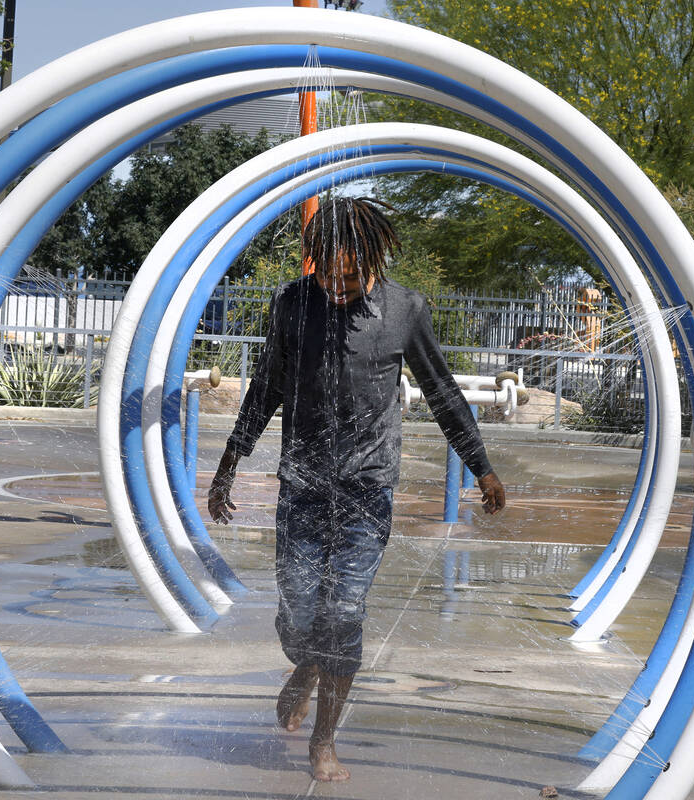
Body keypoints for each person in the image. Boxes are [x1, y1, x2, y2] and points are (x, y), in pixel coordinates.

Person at [208, 196, 505, 782]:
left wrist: (481, 465)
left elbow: (443, 392)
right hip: (302, 486)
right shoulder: (293, 304)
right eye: (327, 273)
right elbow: (266, 386)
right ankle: (306, 666)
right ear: (313, 262)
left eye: (350, 275)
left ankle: (324, 740)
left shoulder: (404, 310)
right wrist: (228, 465)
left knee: (344, 609)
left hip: (368, 489)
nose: (338, 286)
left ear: (372, 260)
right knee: (296, 616)